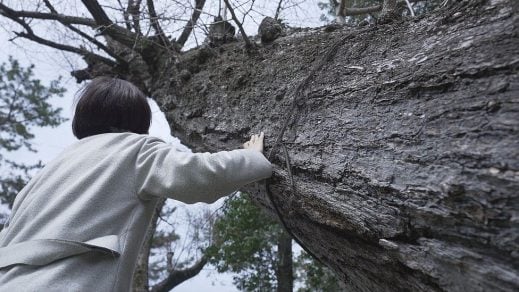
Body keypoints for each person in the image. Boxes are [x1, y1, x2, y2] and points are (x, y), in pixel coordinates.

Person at [0, 77, 272, 291]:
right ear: (137, 119)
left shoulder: (43, 175)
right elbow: (200, 176)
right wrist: (250, 157)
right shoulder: (135, 148)